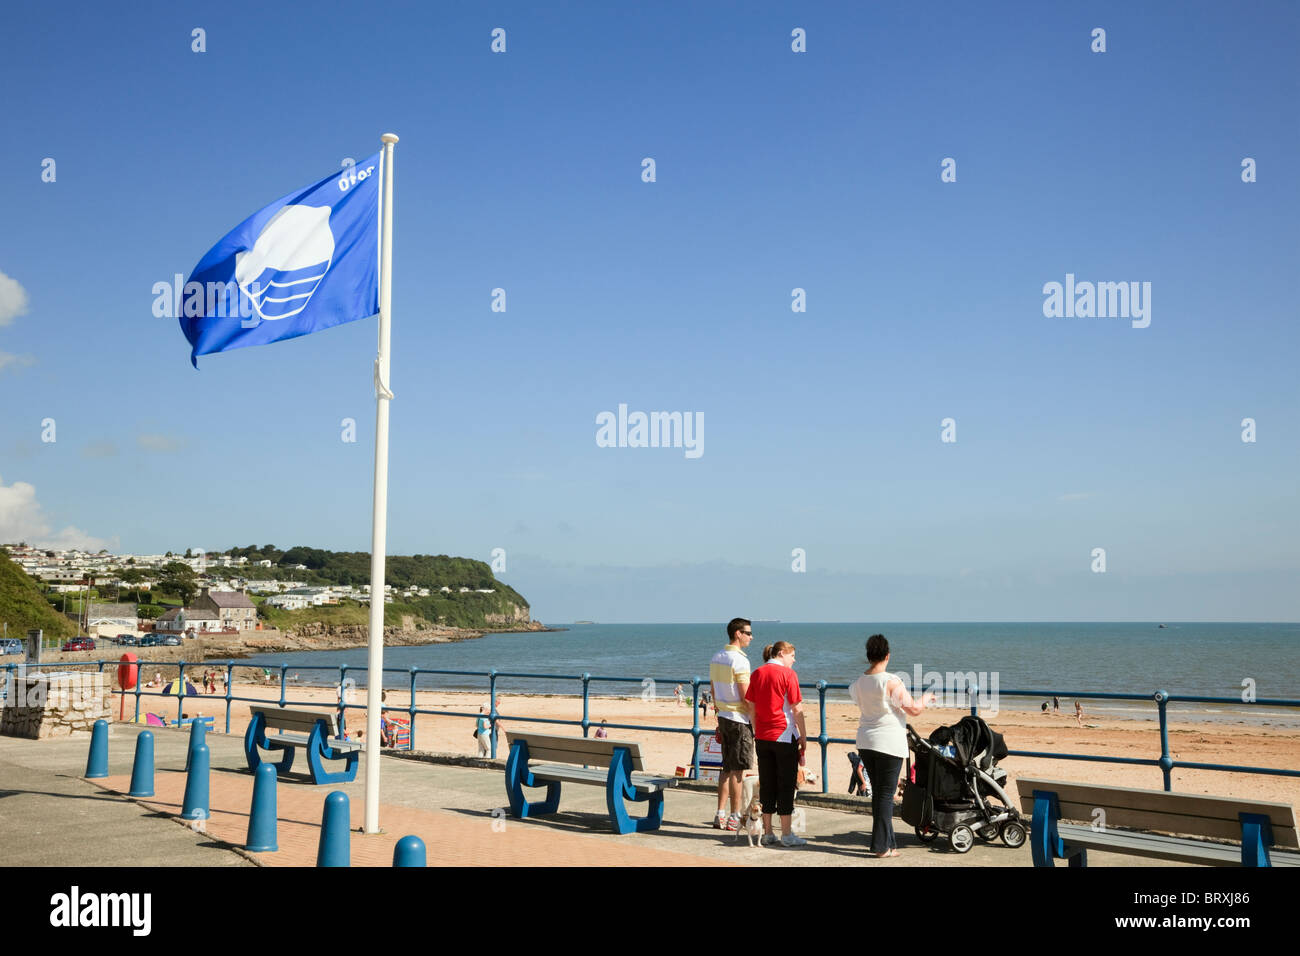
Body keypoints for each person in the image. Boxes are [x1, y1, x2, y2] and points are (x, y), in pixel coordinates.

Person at [849, 634, 935, 858]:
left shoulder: (858, 683)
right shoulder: (891, 681)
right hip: (887, 742)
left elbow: (866, 704)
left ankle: (888, 843)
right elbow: (913, 709)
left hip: (866, 741)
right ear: (887, 655)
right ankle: (880, 847)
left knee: (880, 794)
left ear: (868, 656)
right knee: (885, 795)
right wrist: (927, 697)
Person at [743, 641, 808, 847]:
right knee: (786, 784)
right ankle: (787, 834)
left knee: (767, 784)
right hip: (783, 734)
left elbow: (750, 706)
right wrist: (803, 736)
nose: (794, 660)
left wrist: (756, 729)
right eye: (792, 656)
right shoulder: (789, 675)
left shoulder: (757, 673)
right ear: (782, 653)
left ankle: (768, 832)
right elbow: (796, 709)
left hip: (762, 735)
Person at [710, 617, 755, 832]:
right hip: (739, 719)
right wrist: (754, 718)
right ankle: (735, 816)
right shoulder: (740, 660)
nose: (750, 637)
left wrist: (719, 710)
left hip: (724, 717)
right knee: (738, 771)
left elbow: (713, 689)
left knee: (726, 768)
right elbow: (745, 696)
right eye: (748, 633)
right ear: (738, 633)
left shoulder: (717, 657)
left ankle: (720, 813)